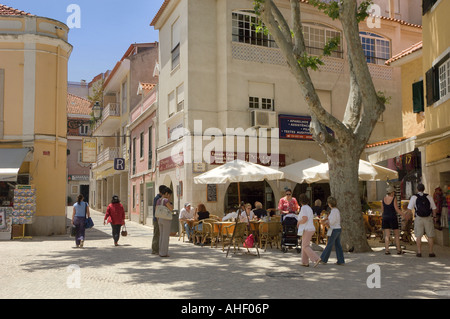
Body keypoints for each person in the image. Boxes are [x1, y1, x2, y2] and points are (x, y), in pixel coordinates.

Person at [407, 183, 438, 257]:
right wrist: (434, 217)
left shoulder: (414, 197)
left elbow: (409, 209)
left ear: (417, 189)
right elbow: (434, 208)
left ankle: (419, 252)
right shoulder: (429, 197)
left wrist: (409, 217)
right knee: (430, 236)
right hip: (428, 218)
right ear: (424, 189)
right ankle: (431, 252)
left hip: (419, 218)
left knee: (418, 236)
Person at [381, 185, 407, 255]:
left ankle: (387, 250)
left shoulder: (383, 199)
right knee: (396, 234)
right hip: (392, 217)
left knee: (387, 235)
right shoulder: (393, 198)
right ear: (392, 192)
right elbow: (396, 209)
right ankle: (398, 250)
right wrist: (403, 214)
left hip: (385, 217)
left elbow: (382, 209)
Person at [297, 193, 321, 267]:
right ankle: (305, 262)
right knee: (304, 244)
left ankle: (316, 258)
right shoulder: (309, 208)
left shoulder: (304, 208)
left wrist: (298, 222)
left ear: (300, 201)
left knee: (305, 246)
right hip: (310, 228)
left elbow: (305, 218)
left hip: (307, 228)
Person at [320, 196, 345, 265]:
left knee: (329, 244)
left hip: (334, 229)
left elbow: (332, 221)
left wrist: (326, 222)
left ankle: (323, 259)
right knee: (337, 245)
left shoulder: (334, 211)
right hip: (337, 229)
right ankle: (341, 260)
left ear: (330, 204)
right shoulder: (335, 210)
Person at [156, 187, 173, 257]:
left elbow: (156, 210)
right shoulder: (166, 200)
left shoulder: (158, 200)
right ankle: (164, 253)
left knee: (161, 236)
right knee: (165, 236)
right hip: (166, 219)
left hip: (160, 218)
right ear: (166, 193)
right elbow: (171, 209)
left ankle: (160, 251)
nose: (169, 196)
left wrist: (158, 219)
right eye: (169, 194)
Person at [152, 185, 167, 255]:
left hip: (158, 218)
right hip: (156, 219)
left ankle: (158, 248)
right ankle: (155, 249)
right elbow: (156, 209)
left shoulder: (159, 198)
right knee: (156, 234)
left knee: (159, 234)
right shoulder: (157, 198)